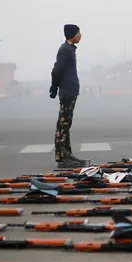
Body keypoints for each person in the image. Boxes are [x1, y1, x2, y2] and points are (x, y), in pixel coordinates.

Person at [50, 24, 89, 168]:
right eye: (78, 33)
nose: (80, 35)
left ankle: (67, 154)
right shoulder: (65, 50)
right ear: (72, 34)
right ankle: (61, 157)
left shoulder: (70, 49)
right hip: (67, 91)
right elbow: (56, 70)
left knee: (66, 124)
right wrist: (54, 86)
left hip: (70, 91)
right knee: (62, 125)